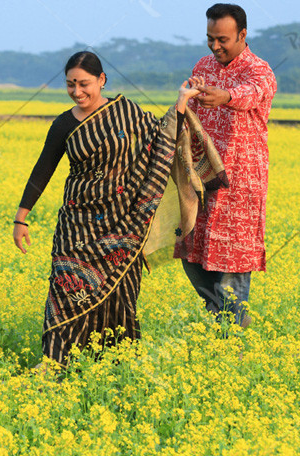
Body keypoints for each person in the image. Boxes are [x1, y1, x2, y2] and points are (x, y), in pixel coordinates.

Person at [13, 51, 222, 368]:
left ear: (102, 80)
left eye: (84, 84)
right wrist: (21, 218)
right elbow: (43, 169)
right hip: (76, 228)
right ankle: (56, 364)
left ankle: (116, 367)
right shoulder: (63, 125)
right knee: (65, 293)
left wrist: (181, 102)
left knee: (121, 299)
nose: (78, 92)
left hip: (126, 224)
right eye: (70, 85)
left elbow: (162, 138)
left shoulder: (128, 114)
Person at [175, 3, 277, 326]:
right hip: (202, 180)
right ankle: (227, 319)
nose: (215, 46)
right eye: (210, 38)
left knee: (231, 266)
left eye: (222, 39)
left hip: (240, 187)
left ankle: (232, 343)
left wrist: (225, 96)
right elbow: (191, 113)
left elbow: (250, 94)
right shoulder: (203, 66)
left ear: (242, 35)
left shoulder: (260, 71)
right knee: (192, 256)